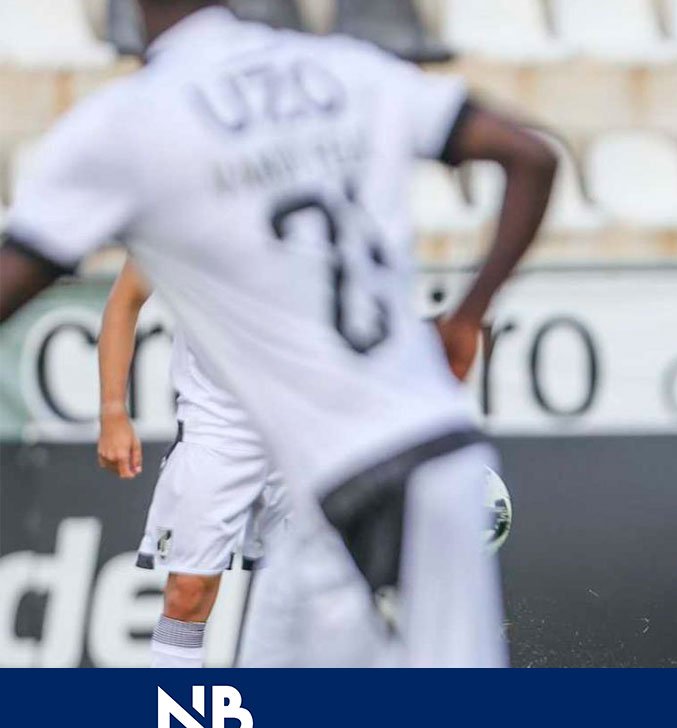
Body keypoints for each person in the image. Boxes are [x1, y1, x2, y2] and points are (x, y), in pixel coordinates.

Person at [0, 0, 557, 666]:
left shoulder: (136, 123)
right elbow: (532, 155)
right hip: (434, 448)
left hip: (350, 472)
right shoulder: (347, 69)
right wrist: (469, 316)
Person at [96, 261, 291, 668]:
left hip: (304, 422)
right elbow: (125, 299)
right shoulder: (187, 201)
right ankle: (178, 725)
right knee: (188, 590)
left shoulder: (316, 201)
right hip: (216, 424)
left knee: (306, 596)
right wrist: (113, 410)